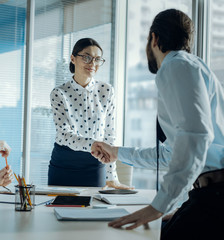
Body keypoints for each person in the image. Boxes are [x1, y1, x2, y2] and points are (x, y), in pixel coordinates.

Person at [91, 9, 224, 239]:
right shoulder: (193, 67)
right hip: (211, 194)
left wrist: (159, 205)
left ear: (154, 38)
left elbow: (196, 136)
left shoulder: (175, 66)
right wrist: (117, 153)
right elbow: (172, 154)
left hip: (216, 195)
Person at [48, 38, 132, 188]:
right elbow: (63, 133)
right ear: (73, 58)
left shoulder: (106, 91)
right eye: (87, 57)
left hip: (96, 163)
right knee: (59, 208)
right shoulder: (59, 93)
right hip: (64, 163)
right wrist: (92, 144)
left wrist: (111, 176)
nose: (92, 63)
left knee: (95, 208)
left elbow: (109, 134)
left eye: (97, 59)